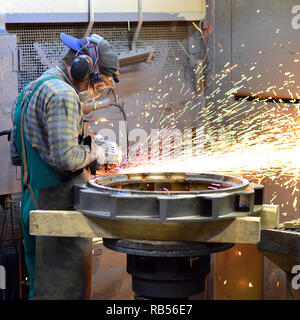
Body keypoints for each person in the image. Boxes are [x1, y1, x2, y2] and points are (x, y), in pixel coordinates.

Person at [10, 32, 120, 299]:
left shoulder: (32, 88)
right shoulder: (63, 95)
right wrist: (97, 150)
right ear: (83, 68)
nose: (96, 91)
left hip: (33, 205)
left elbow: (17, 155)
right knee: (65, 294)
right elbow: (66, 158)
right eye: (99, 84)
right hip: (59, 213)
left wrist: (82, 144)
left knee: (42, 289)